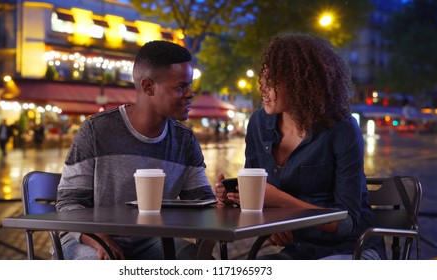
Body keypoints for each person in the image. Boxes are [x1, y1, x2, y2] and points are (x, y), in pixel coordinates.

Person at [214, 33, 387, 260]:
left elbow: (349, 223)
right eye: (262, 78)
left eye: (271, 80)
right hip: (299, 250)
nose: (261, 88)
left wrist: (281, 202)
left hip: (353, 249)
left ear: (300, 83)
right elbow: (258, 201)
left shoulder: (342, 128)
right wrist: (234, 200)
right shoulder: (259, 123)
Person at [56, 40, 215, 260]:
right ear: (148, 86)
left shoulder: (184, 140)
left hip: (152, 240)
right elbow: (69, 203)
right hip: (87, 238)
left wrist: (222, 202)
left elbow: (202, 204)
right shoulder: (97, 130)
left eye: (190, 86)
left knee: (195, 260)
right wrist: (101, 240)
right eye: (180, 87)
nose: (190, 94)